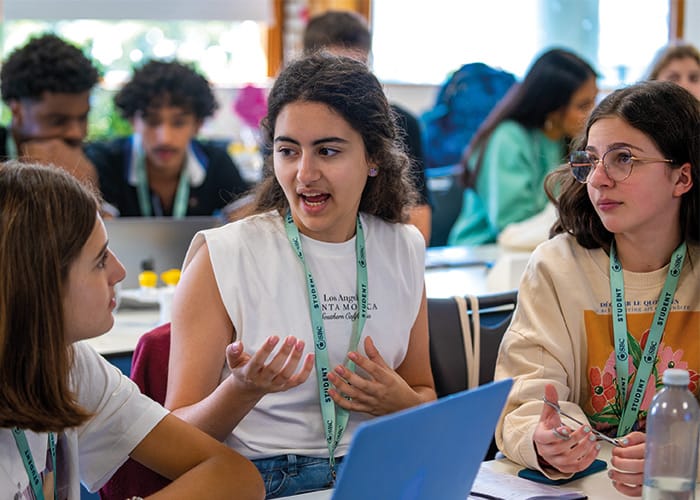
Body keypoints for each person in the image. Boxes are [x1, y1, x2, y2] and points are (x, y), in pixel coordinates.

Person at [165, 53, 436, 499]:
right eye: (288, 151)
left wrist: (399, 401)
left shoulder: (403, 246)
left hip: (377, 470)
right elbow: (173, 441)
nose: (304, 174)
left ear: (373, 157)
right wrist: (241, 390)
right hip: (264, 479)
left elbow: (423, 392)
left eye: (328, 151)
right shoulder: (224, 256)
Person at [0, 162, 265, 499]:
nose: (120, 271)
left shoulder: (67, 361)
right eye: (98, 261)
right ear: (38, 283)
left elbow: (235, 476)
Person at [494, 80, 700, 497]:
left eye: (623, 159)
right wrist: (549, 439)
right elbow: (525, 400)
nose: (599, 179)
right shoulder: (557, 266)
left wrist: (682, 449)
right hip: (589, 486)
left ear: (682, 177)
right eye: (590, 161)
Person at [303, 10, 433, 244]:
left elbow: (419, 221)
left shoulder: (401, 123)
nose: (344, 87)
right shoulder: (289, 128)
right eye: (332, 71)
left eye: (356, 70)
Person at [447, 48, 598, 246]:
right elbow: (509, 224)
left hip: (538, 248)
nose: (592, 112)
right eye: (583, 105)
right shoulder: (509, 139)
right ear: (552, 106)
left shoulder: (569, 141)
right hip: (484, 251)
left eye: (595, 99)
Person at [85, 59, 249, 217]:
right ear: (132, 121)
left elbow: (246, 224)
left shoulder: (216, 162)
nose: (164, 139)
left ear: (197, 125)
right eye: (152, 121)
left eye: (178, 123)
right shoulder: (106, 162)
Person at [0, 33, 99, 185]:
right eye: (58, 121)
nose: (76, 133)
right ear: (17, 111)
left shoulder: (94, 160)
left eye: (82, 118)